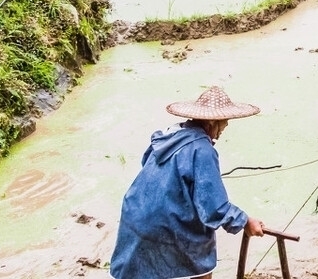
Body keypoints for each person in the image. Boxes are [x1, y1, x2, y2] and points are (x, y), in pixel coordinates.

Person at [110, 86, 265, 279]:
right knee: (201, 266)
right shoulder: (203, 150)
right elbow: (213, 207)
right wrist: (244, 221)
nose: (225, 127)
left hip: (135, 215)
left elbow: (148, 164)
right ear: (212, 122)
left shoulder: (168, 136)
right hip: (164, 226)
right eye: (224, 122)